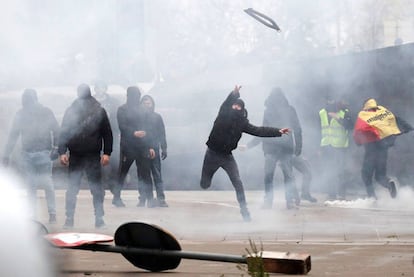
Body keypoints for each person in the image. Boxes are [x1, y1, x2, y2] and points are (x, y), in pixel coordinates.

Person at [200, 85, 289, 221]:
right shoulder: (223, 115)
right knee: (205, 184)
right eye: (234, 106)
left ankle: (244, 211)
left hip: (227, 156)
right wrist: (234, 94)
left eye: (239, 107)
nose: (236, 108)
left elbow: (259, 131)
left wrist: (278, 132)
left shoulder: (242, 123)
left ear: (242, 110)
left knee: (238, 182)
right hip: (212, 154)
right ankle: (205, 182)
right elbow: (226, 104)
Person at [58, 84, 113, 229]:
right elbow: (64, 132)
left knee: (95, 189)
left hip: (92, 155)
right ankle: (70, 218)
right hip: (76, 155)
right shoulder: (71, 111)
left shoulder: (99, 111)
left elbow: (107, 133)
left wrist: (107, 152)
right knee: (73, 188)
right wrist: (62, 151)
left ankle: (99, 218)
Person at [2, 89, 59, 224]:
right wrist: (6, 154)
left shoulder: (39, 112)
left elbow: (56, 130)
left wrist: (56, 148)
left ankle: (44, 214)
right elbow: (13, 135)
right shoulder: (25, 113)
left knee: (40, 184)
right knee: (38, 184)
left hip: (40, 153)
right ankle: (42, 214)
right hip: (31, 154)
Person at [243, 88, 304, 209]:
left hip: (271, 148)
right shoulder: (289, 110)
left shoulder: (270, 111)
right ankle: (289, 201)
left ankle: (268, 202)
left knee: (269, 175)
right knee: (288, 176)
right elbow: (297, 129)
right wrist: (298, 148)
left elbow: (263, 131)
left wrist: (249, 145)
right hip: (285, 148)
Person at [353, 98, 413, 199]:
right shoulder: (383, 111)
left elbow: (358, 129)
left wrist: (358, 142)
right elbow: (395, 119)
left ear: (365, 106)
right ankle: (389, 184)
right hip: (383, 147)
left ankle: (372, 198)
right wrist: (409, 128)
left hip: (371, 148)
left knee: (366, 174)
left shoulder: (364, 115)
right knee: (380, 175)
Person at [113, 86, 156, 208]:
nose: (135, 97)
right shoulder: (122, 109)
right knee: (122, 172)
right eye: (133, 95)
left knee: (145, 173)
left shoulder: (143, 110)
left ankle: (149, 199)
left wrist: (150, 146)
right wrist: (133, 133)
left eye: (137, 94)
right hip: (128, 146)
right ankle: (116, 197)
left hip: (143, 145)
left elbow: (149, 127)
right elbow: (122, 126)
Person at [318, 96, 353, 200]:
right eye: (328, 101)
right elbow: (318, 130)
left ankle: (342, 193)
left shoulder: (344, 112)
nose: (330, 103)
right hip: (326, 145)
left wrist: (337, 118)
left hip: (340, 146)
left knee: (341, 171)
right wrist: (319, 148)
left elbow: (350, 126)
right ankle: (331, 193)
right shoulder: (321, 113)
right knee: (328, 170)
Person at [141, 95, 169, 207]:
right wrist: (148, 147)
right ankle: (150, 199)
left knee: (157, 175)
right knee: (146, 176)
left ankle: (161, 198)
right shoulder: (139, 118)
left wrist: (164, 148)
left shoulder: (157, 117)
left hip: (155, 149)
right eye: (145, 103)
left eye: (149, 103)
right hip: (142, 150)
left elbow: (161, 133)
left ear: (152, 104)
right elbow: (141, 135)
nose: (147, 105)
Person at [93, 81, 120, 194]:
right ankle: (100, 186)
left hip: (111, 131)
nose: (100, 90)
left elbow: (117, 117)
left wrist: (118, 131)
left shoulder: (113, 102)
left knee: (113, 158)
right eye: (98, 87)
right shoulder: (90, 101)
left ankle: (113, 185)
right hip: (95, 133)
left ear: (105, 89)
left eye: (102, 87)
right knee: (96, 160)